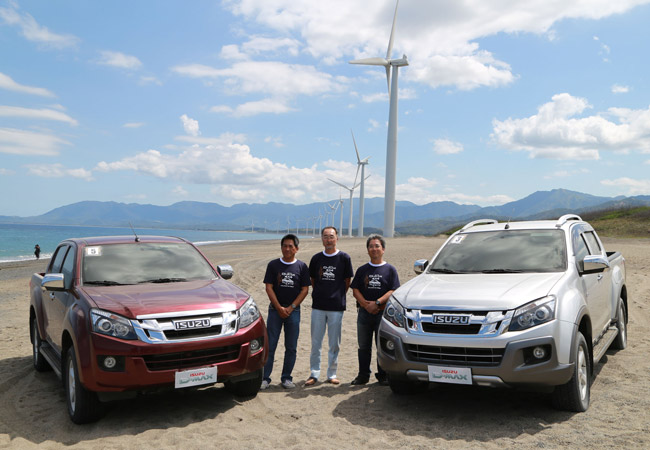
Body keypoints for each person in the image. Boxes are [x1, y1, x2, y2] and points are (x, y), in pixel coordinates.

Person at [305, 226, 353, 386]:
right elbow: (312, 280)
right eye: (325, 236)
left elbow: (347, 281)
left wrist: (337, 294)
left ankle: (332, 374)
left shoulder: (344, 258)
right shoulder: (316, 258)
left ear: (337, 238)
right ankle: (314, 373)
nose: (328, 239)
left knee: (334, 343)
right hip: (318, 306)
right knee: (316, 342)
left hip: (336, 307)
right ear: (322, 239)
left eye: (331, 236)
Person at [261, 234, 310, 390]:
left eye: (291, 246)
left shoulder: (301, 266)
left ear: (296, 248)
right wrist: (278, 307)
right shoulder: (273, 265)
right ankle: (265, 378)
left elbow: (304, 290)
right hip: (275, 311)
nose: (287, 249)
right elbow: (269, 287)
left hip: (293, 312)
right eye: (285, 246)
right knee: (271, 345)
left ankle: (286, 377)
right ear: (281, 247)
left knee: (291, 346)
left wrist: (291, 307)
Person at [350, 234, 400, 385]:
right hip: (364, 313)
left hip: (382, 313)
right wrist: (366, 305)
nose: (374, 249)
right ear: (367, 250)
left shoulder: (390, 269)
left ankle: (383, 375)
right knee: (363, 346)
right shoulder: (362, 269)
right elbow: (355, 289)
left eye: (377, 246)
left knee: (382, 346)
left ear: (383, 249)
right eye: (371, 246)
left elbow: (393, 290)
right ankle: (363, 375)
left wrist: (377, 303)